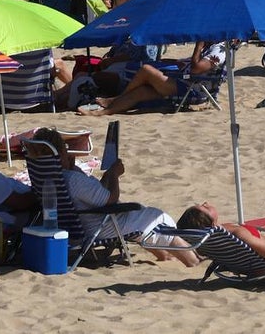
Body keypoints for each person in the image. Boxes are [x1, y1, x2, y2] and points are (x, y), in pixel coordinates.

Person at [30, 127, 198, 266]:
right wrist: (115, 175)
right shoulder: (73, 180)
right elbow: (110, 200)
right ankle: (192, 262)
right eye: (64, 149)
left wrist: (107, 173)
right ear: (60, 153)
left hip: (81, 224)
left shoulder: (47, 175)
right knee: (159, 218)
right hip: (101, 226)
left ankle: (165, 256)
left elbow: (96, 193)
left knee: (143, 216)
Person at [79, 41, 224, 117]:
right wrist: (175, 62)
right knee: (141, 91)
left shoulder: (219, 49)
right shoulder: (212, 46)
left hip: (193, 89)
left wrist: (198, 45)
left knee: (146, 70)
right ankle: (103, 113)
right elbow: (191, 65)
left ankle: (115, 99)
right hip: (184, 82)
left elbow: (196, 68)